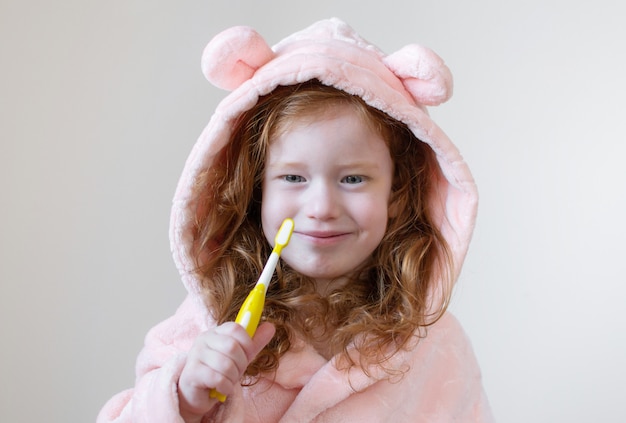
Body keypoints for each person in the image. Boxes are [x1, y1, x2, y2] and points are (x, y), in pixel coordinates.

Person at [97, 18, 494, 422]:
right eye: (293, 178)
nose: (321, 207)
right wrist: (185, 399)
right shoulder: (206, 324)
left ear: (396, 193)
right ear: (257, 190)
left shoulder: (436, 346)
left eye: (353, 178)